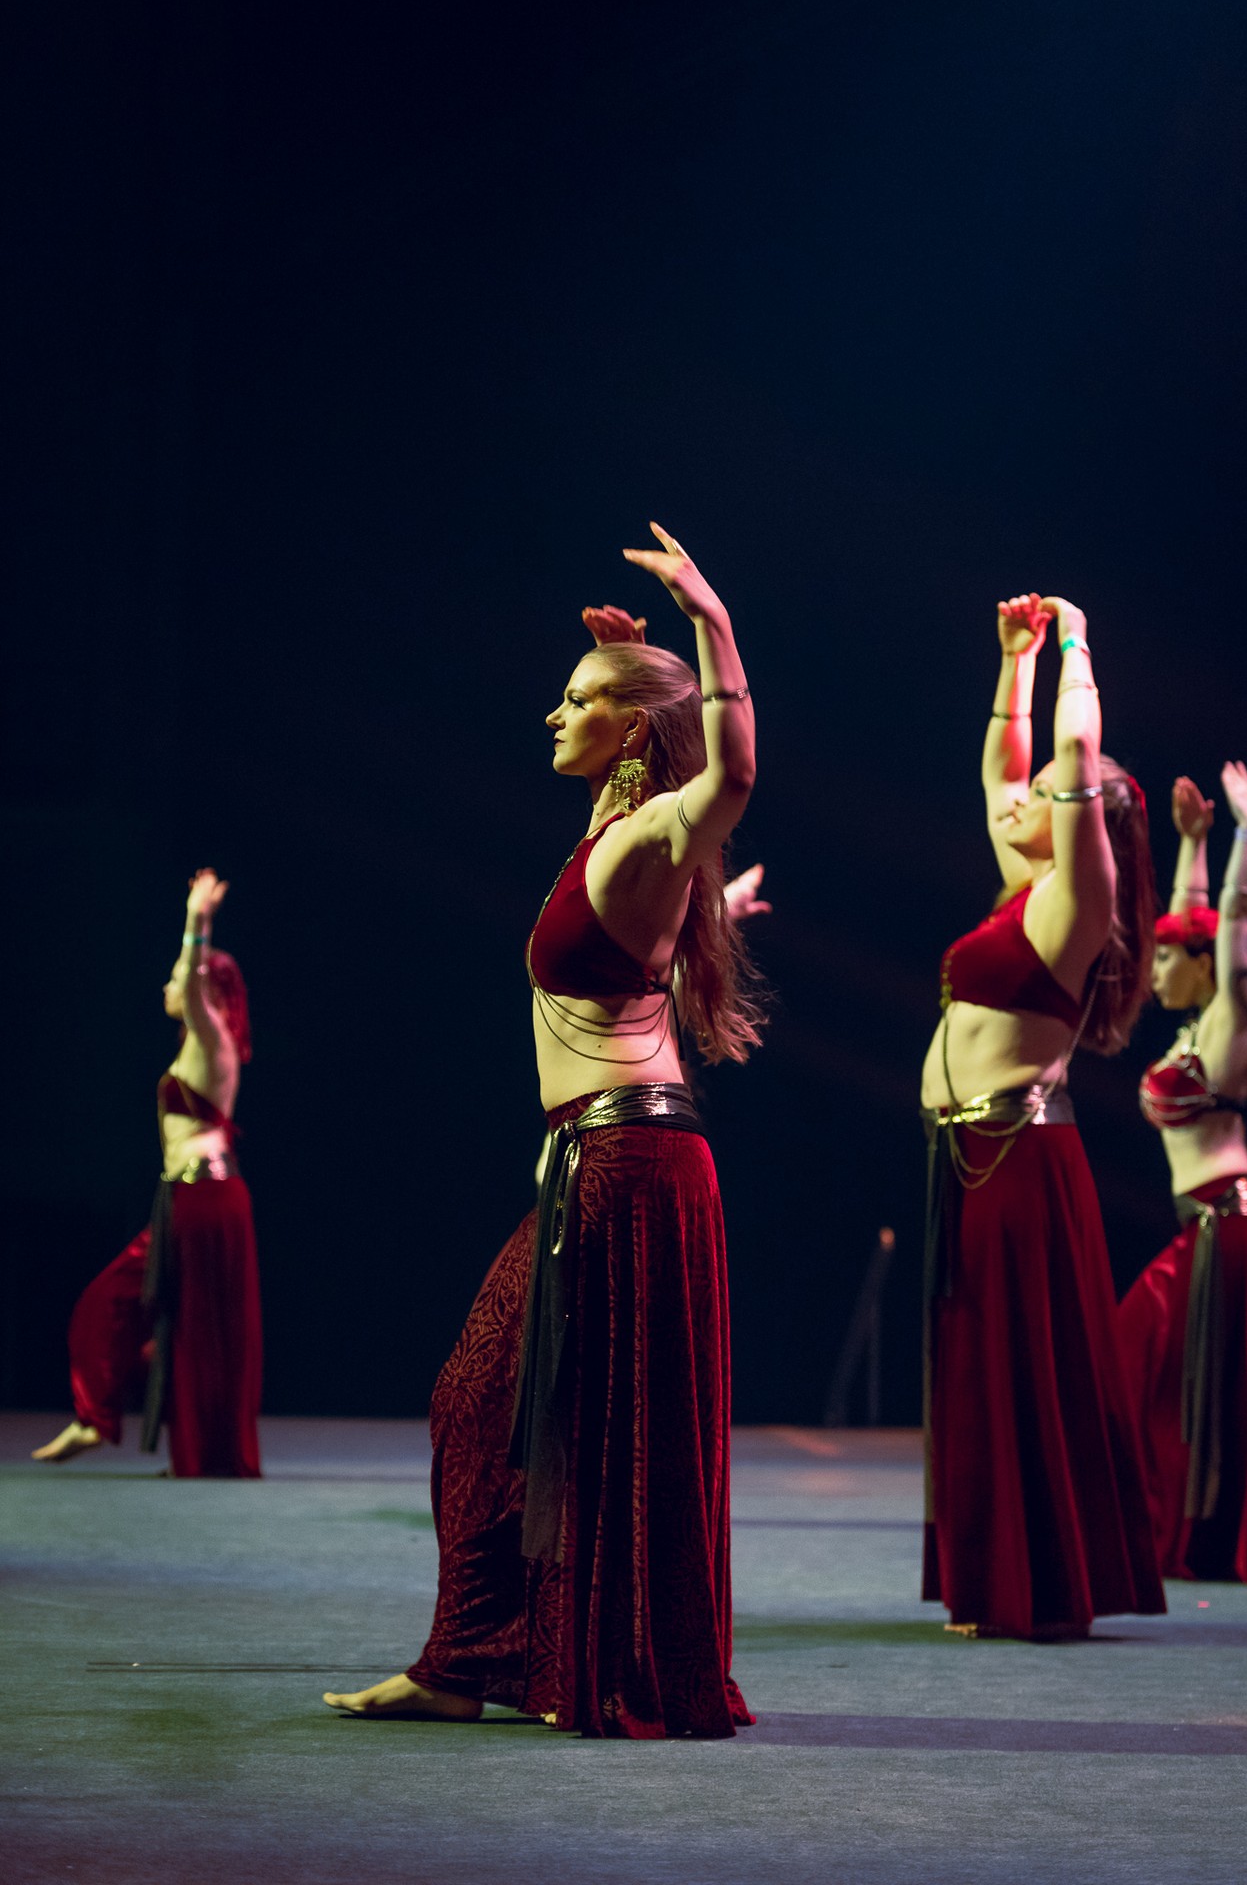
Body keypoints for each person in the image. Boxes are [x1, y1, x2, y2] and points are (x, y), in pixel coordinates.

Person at [325, 524, 762, 1737]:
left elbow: (728, 780)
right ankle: (495, 1660)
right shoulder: (617, 842)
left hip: (627, 1162)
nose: (554, 716)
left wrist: (709, 621)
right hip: (608, 1158)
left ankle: (482, 1666)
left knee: (491, 1401)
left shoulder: (649, 829)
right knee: (525, 1414)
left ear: (631, 731)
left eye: (578, 702)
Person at [919, 592, 1165, 1639]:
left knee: (1017, 1365)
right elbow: (1001, 769)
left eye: (1049, 796)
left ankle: (1039, 1584)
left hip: (1016, 1155)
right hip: (970, 1155)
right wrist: (1013, 664)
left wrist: (1074, 642)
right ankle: (992, 1577)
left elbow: (1071, 752)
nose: (1019, 799)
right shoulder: (1020, 890)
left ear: (1081, 817)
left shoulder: (1075, 906)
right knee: (978, 1366)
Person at [32, 870, 262, 1479]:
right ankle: (122, 1425)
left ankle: (170, 1444)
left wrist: (197, 918)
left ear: (206, 993)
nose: (169, 984)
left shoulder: (211, 1041)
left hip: (206, 1198)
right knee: (155, 1317)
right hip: (190, 1199)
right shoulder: (199, 1046)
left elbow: (190, 981)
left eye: (178, 979)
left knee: (170, 1321)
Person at [1118, 763, 1247, 1581]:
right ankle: (1177, 1528)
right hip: (1209, 1231)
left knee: (1145, 1358)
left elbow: (1233, 920)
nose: (1152, 972)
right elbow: (1194, 917)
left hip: (1233, 1231)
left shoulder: (1232, 1021)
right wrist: (1192, 841)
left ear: (1203, 964)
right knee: (1159, 1375)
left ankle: (1203, 1535)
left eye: (1164, 960)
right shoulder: (1193, 1031)